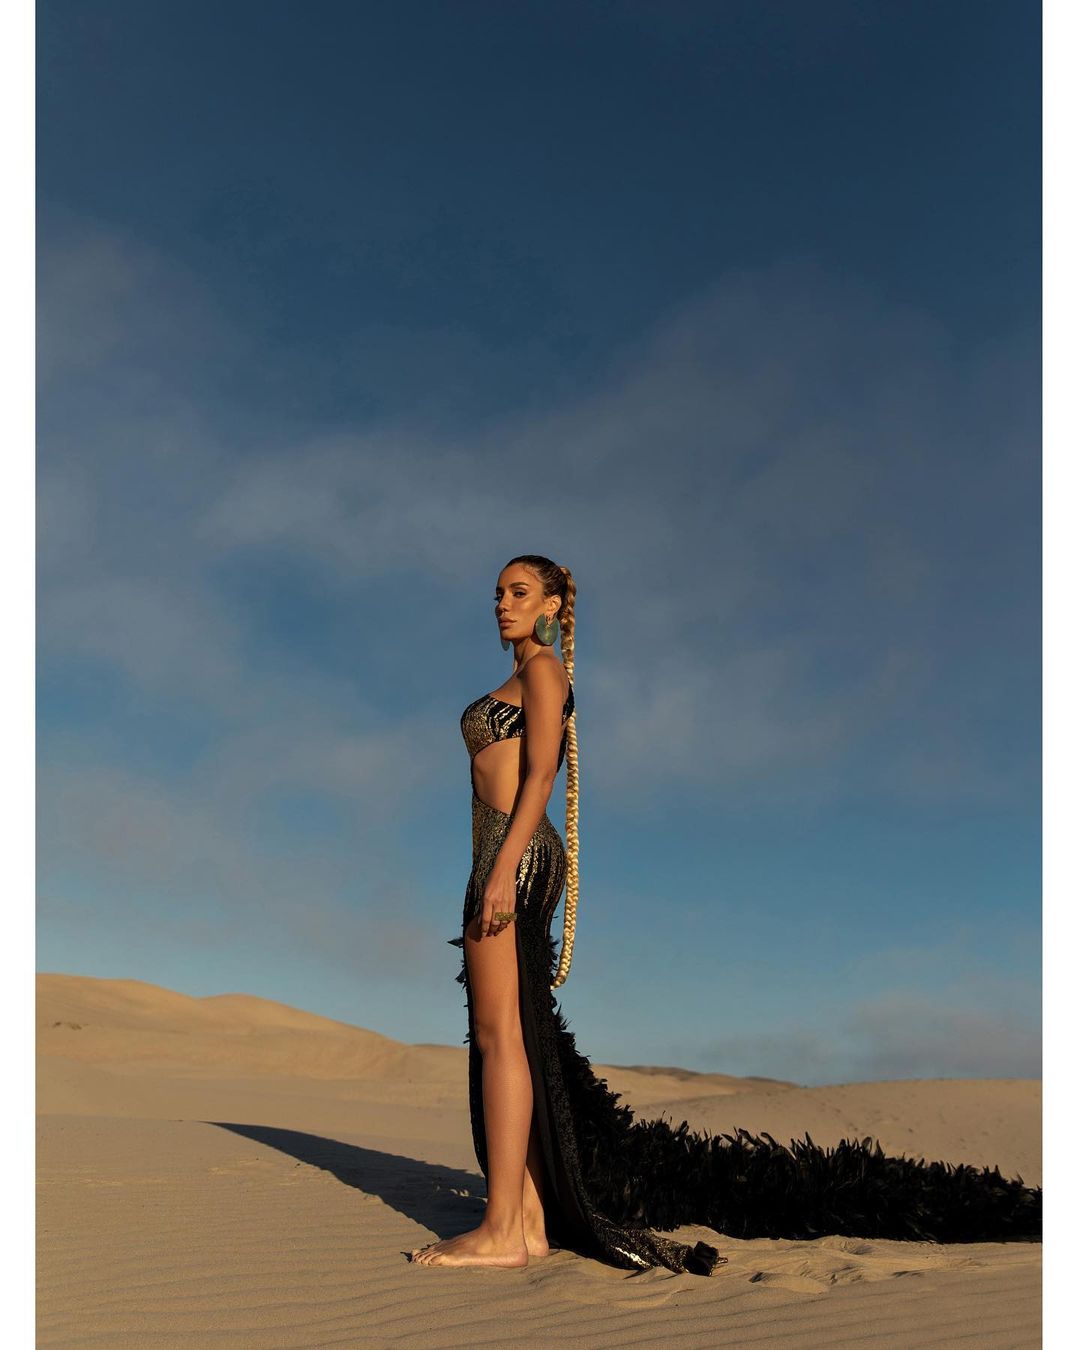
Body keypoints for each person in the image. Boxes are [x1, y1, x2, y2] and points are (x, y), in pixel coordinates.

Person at [409, 555, 1041, 1273]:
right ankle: (523, 1218)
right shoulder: (526, 673)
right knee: (511, 1034)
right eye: (498, 593)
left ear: (552, 604)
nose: (503, 603)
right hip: (502, 853)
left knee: (501, 1038)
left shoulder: (545, 672)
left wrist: (502, 870)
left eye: (520, 592)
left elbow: (542, 772)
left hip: (513, 856)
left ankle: (502, 1229)